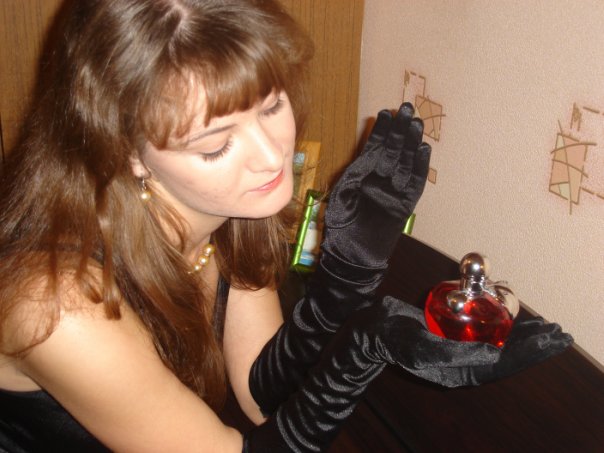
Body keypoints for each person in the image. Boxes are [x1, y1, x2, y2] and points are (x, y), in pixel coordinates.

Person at [0, 0, 573, 451]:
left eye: (271, 107)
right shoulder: (57, 304)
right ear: (127, 153)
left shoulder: (224, 212)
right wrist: (366, 345)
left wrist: (344, 281)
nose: (271, 156)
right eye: (215, 144)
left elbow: (260, 394)